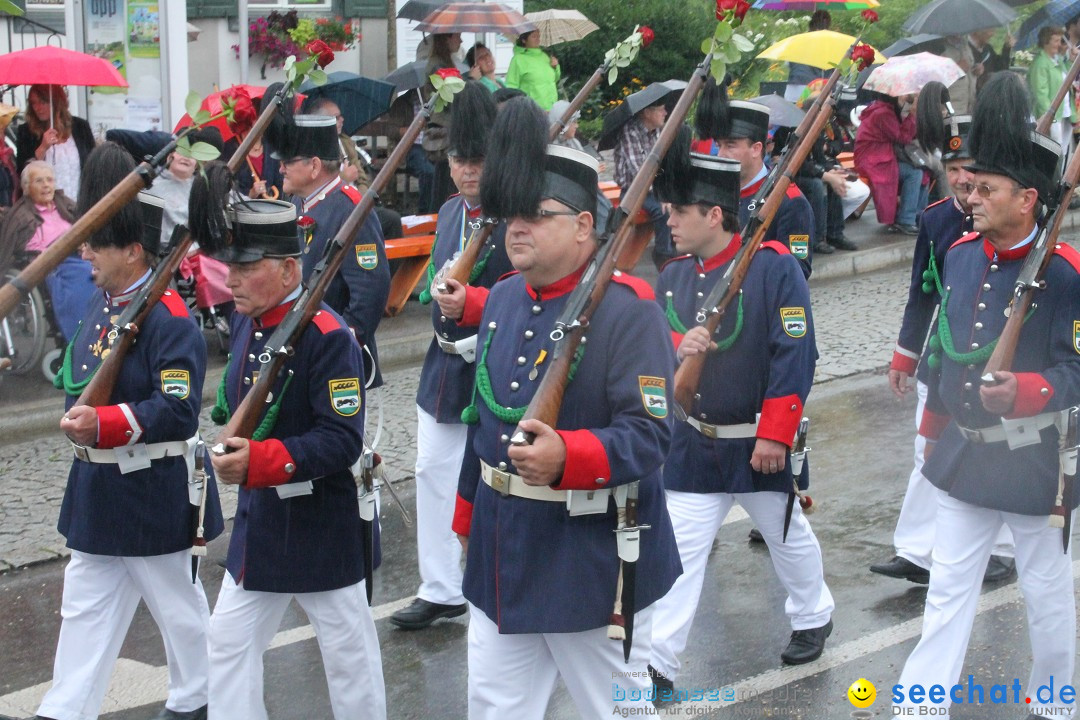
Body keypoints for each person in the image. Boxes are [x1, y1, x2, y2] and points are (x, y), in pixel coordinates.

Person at [452, 97, 682, 719]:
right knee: (494, 708)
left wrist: (567, 456)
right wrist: (467, 519)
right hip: (505, 550)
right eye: (509, 217)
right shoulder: (501, 298)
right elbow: (485, 422)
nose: (514, 229)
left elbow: (651, 435)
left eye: (535, 215)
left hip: (591, 555)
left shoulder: (629, 310)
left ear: (585, 226)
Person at [894, 73, 1080, 718]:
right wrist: (934, 425)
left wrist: (1030, 391)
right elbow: (945, 344)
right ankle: (921, 704)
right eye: (970, 186)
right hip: (965, 453)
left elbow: (1076, 370)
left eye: (988, 189)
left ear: (1028, 199)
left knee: (1047, 591)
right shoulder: (964, 253)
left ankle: (1056, 699)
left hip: (1032, 458)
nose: (971, 197)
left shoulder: (1062, 273)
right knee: (946, 589)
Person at [35, 142, 223, 720]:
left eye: (99, 242)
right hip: (98, 493)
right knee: (83, 606)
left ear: (135, 250)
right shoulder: (103, 304)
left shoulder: (166, 317)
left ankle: (200, 697)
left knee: (178, 609)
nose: (85, 249)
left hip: (150, 489)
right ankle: (65, 709)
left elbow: (177, 409)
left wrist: (106, 423)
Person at [647, 128, 833, 697]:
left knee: (786, 536)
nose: (669, 221)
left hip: (758, 441)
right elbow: (655, 362)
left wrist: (776, 435)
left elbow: (795, 353)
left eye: (680, 211)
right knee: (678, 556)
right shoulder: (674, 277)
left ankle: (812, 614)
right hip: (695, 444)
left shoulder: (774, 268)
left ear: (714, 213)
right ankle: (658, 663)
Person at [196, 189, 386, 720]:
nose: (229, 279)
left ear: (286, 269)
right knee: (229, 642)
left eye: (246, 267)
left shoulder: (328, 335)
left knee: (348, 656)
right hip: (262, 523)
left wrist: (258, 462)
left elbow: (342, 438)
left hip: (320, 519)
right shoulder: (245, 320)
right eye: (228, 267)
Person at [389, 81, 514, 631]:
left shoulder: (517, 217)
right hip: (442, 368)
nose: (467, 171)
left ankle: (500, 575)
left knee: (498, 478)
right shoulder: (447, 214)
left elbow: (526, 299)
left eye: (477, 160)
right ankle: (440, 587)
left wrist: (473, 305)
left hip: (494, 368)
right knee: (432, 472)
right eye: (460, 159)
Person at [875, 114, 1016, 586]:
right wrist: (904, 355)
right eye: (953, 167)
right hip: (947, 352)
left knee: (999, 446)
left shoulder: (1011, 214)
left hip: (1000, 353)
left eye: (971, 169)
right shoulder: (936, 218)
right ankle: (916, 550)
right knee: (927, 448)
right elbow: (923, 291)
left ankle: (1002, 548)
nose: (961, 179)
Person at [269, 111, 391, 390]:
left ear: (314, 166)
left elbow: (371, 287)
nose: (280, 169)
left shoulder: (351, 208)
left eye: (288, 161)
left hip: (333, 351)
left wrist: (345, 342)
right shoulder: (298, 203)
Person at [697, 79, 816, 278]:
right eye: (720, 145)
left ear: (756, 148)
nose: (721, 154)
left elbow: (798, 267)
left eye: (731, 145)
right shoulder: (713, 194)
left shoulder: (791, 202)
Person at [0, 161, 94, 341]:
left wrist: (85, 242)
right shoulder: (20, 215)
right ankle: (82, 336)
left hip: (79, 254)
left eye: (50, 180)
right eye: (39, 181)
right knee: (87, 274)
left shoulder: (65, 204)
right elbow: (18, 248)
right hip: (50, 263)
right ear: (26, 187)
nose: (46, 185)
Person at [304, 96, 404, 240]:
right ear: (322, 121)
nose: (342, 120)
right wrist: (344, 178)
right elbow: (316, 185)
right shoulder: (316, 148)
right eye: (336, 117)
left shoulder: (346, 142)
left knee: (392, 220)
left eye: (341, 116)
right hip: (335, 209)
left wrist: (362, 202)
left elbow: (362, 178)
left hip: (358, 203)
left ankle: (390, 262)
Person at [613, 95, 674, 269]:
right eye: (661, 108)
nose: (665, 112)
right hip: (633, 190)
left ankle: (676, 247)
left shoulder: (656, 131)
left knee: (680, 201)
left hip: (653, 187)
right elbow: (640, 173)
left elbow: (661, 163)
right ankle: (664, 255)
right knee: (663, 211)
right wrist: (663, 194)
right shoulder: (629, 132)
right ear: (647, 112)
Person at [854, 92, 922, 234]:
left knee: (922, 171)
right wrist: (912, 114)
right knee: (915, 173)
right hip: (874, 161)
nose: (906, 97)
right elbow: (903, 137)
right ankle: (906, 220)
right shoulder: (883, 113)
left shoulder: (882, 110)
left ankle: (914, 216)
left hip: (877, 157)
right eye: (903, 95)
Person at [15, 84, 95, 201]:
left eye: (43, 102)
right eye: (33, 103)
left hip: (80, 203)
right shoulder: (26, 132)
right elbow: (23, 174)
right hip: (46, 205)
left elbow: (92, 164)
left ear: (57, 102)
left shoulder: (80, 127)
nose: (37, 108)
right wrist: (42, 148)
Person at [1028, 26, 1072, 155]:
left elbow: (1067, 76)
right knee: (1052, 153)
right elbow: (1040, 93)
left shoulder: (1056, 59)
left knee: (1062, 152)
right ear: (1046, 41)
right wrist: (1049, 118)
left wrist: (1072, 60)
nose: (1059, 44)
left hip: (1062, 112)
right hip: (1051, 116)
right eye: (1056, 41)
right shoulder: (1041, 63)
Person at [505, 29, 560, 111]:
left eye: (538, 36)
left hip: (552, 109)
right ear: (524, 40)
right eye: (534, 36)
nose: (538, 39)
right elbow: (511, 87)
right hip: (531, 111)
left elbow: (554, 79)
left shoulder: (545, 56)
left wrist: (555, 67)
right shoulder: (518, 60)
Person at [785, 10, 830, 102]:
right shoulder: (826, 43)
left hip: (792, 92)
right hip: (811, 92)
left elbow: (787, 64)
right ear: (828, 25)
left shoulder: (796, 40)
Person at [968, 28, 1013, 94]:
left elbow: (1001, 70)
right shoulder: (965, 50)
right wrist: (973, 72)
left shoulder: (987, 49)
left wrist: (1006, 48)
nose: (993, 34)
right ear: (978, 32)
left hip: (986, 96)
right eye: (990, 30)